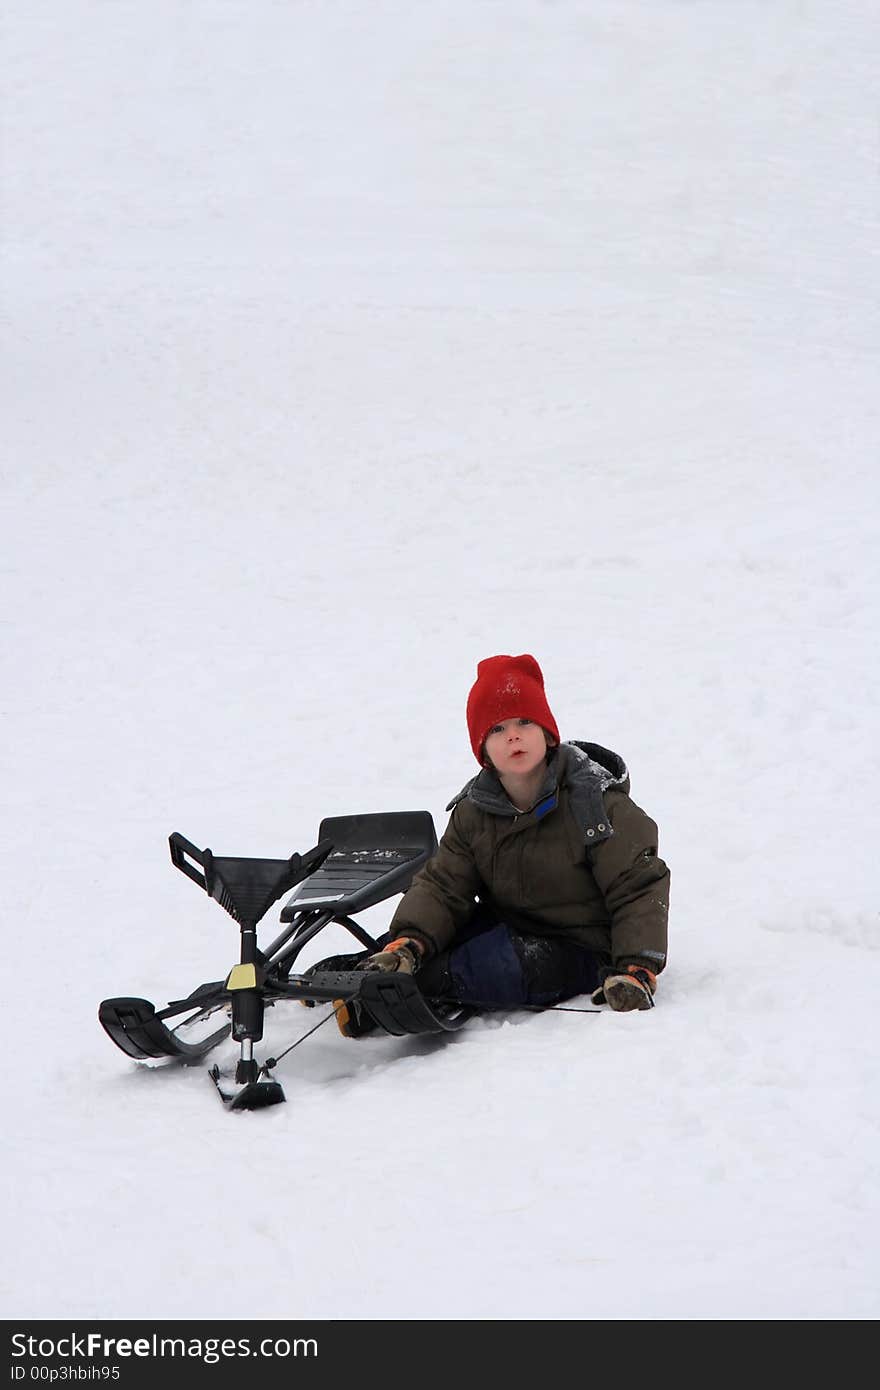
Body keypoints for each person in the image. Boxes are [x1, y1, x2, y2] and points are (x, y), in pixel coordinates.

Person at [320, 654, 670, 1036]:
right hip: (507, 922)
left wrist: (638, 965)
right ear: (483, 749)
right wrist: (410, 940)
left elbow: (637, 885)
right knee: (433, 943)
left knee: (486, 966)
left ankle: (377, 1003)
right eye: (498, 729)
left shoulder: (595, 804)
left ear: (548, 733)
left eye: (525, 723)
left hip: (580, 943)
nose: (513, 736)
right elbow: (444, 885)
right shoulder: (475, 811)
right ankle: (366, 968)